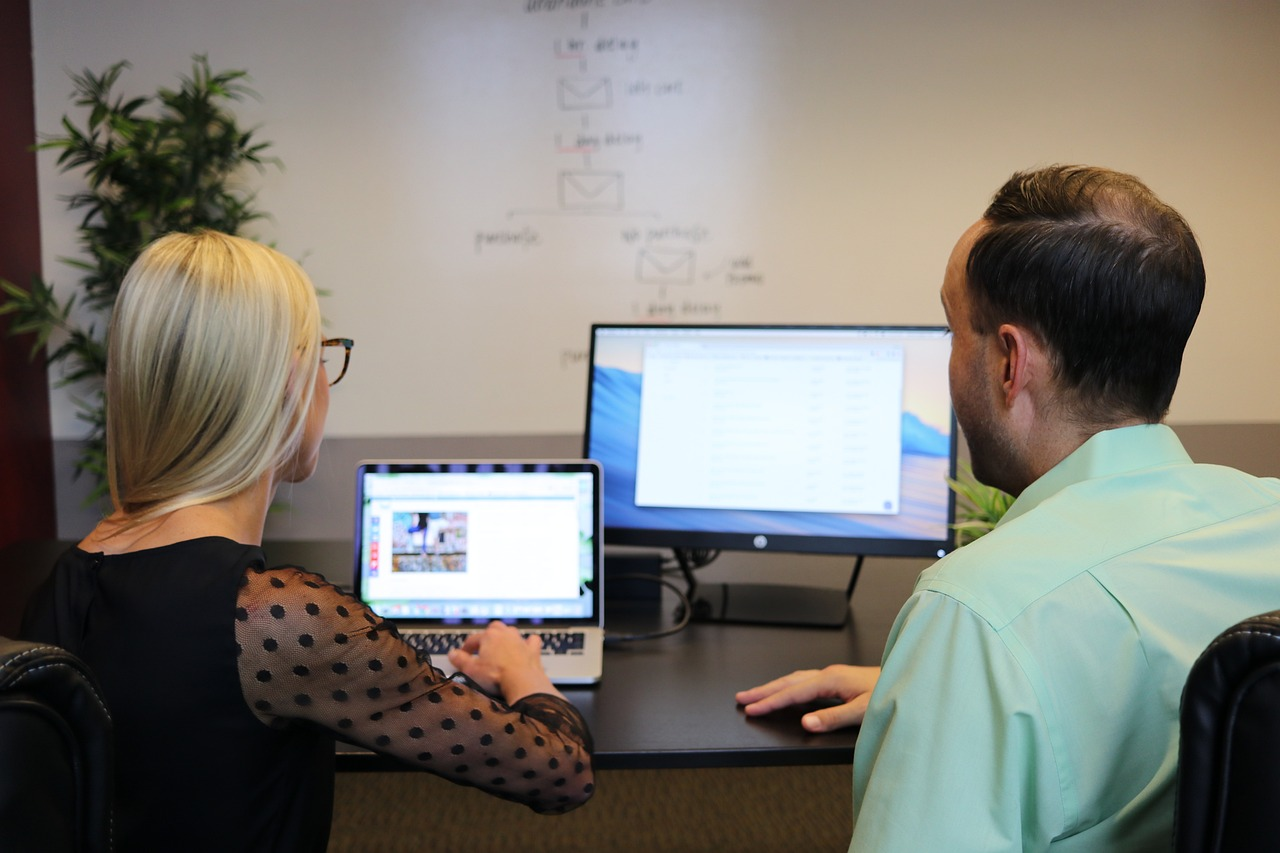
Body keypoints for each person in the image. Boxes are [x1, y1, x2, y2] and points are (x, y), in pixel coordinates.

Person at [737, 165, 1280, 851]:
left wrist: (970, 669)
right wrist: (949, 696)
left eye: (952, 329)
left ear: (1007, 362)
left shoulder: (978, 612)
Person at [20, 231, 594, 852]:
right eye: (323, 356)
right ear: (290, 384)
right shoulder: (281, 620)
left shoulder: (63, 582)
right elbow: (560, 773)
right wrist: (524, 673)